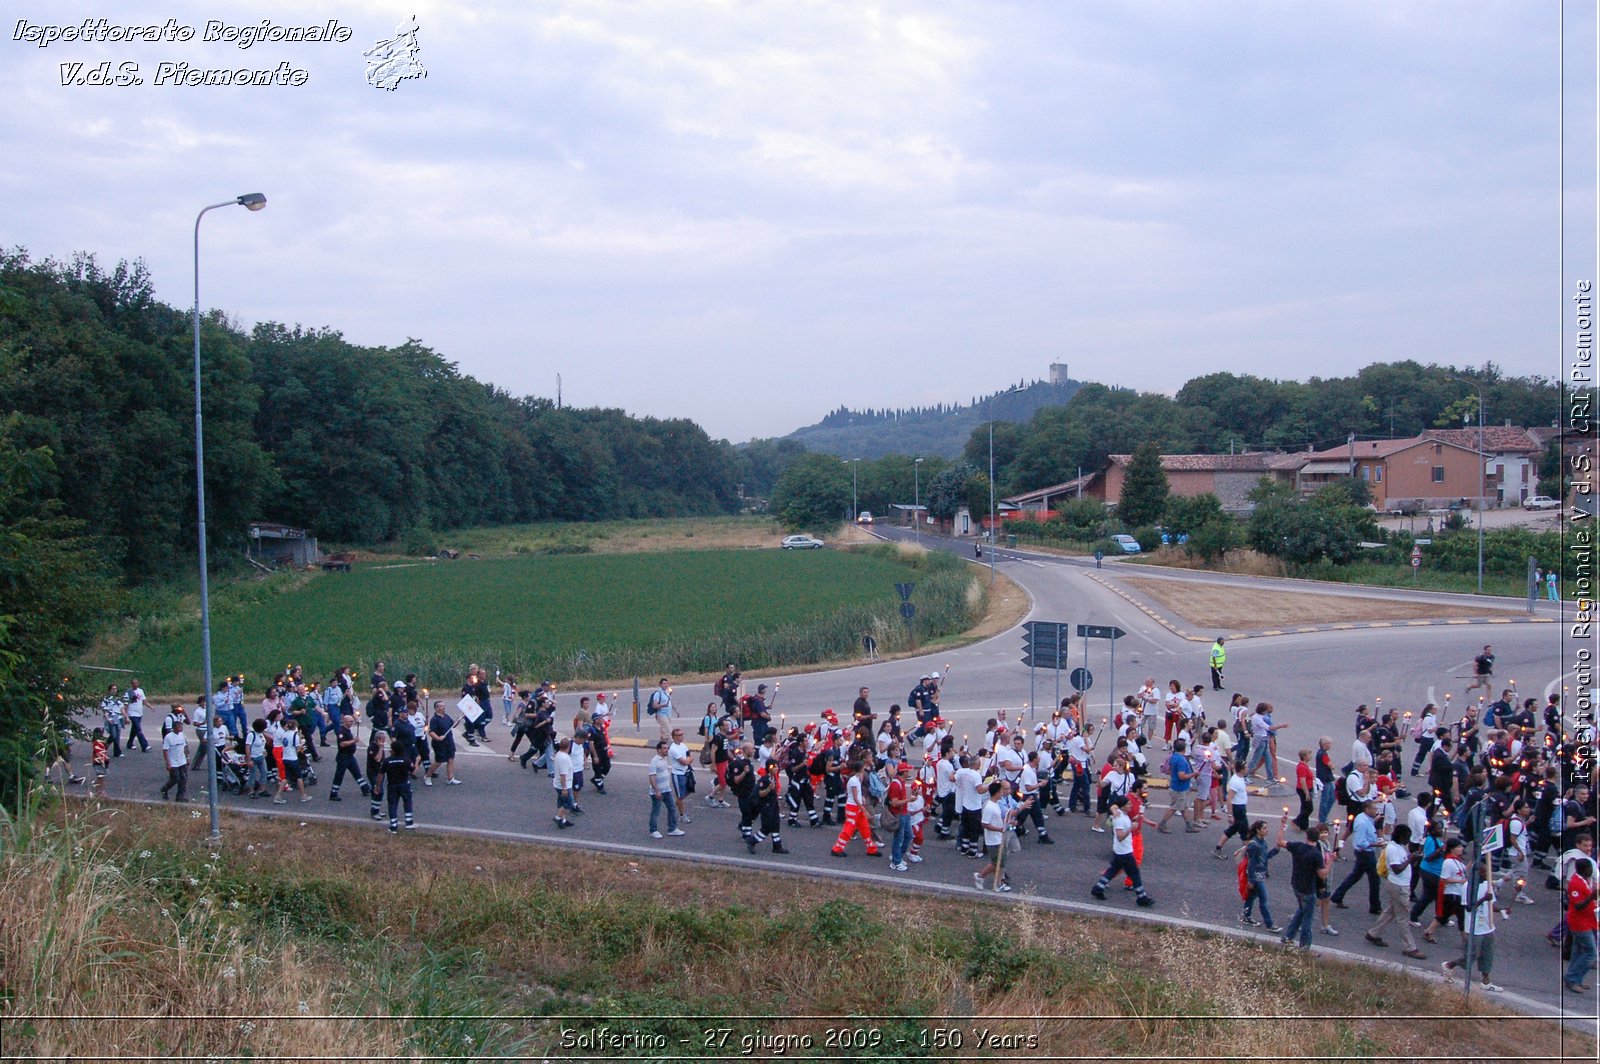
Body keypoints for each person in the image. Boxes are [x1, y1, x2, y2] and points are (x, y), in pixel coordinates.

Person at [1440, 860, 1501, 992]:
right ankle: (1449, 965)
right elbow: (1468, 908)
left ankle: (1486, 980)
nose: (1487, 875)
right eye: (1484, 872)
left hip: (1487, 926)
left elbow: (1491, 904)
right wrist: (1484, 899)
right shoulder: (1467, 887)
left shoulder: (1487, 885)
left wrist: (1501, 910)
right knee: (1471, 955)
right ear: (1477, 873)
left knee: (1487, 953)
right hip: (1474, 928)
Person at [1366, 823, 1425, 958]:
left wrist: (1414, 858)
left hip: (1400, 885)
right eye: (1407, 837)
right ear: (1400, 836)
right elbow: (1397, 869)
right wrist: (1411, 858)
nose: (1408, 840)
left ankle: (1373, 933)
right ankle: (1410, 947)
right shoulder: (1393, 849)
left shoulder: (1399, 847)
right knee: (1403, 917)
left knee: (1391, 911)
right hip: (1398, 885)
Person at [1091, 796, 1154, 906]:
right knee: (1134, 873)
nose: (1131, 806)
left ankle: (1098, 888)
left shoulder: (1122, 815)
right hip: (1124, 852)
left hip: (1120, 851)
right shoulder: (1120, 818)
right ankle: (1141, 896)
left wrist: (1136, 819)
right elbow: (1120, 836)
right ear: (1122, 806)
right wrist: (1131, 829)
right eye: (1128, 804)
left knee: (1113, 870)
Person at [1279, 819, 1328, 949]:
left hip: (1296, 885)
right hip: (1308, 889)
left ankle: (1288, 937)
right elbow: (1322, 874)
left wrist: (1282, 827)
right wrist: (1331, 861)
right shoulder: (1316, 854)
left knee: (1301, 911)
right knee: (1308, 918)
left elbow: (1280, 842)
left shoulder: (1297, 846)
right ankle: (1305, 946)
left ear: (1306, 836)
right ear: (1318, 839)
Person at [1330, 798, 1384, 915]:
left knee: (1355, 876)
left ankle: (1337, 896)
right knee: (1374, 879)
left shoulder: (1363, 818)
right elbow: (1360, 842)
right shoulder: (1363, 823)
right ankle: (1375, 906)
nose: (1376, 811)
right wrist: (1376, 844)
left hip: (1364, 853)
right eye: (1374, 809)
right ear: (1367, 809)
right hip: (1365, 853)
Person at [1236, 820, 1280, 931]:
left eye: (1266, 828)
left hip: (1260, 874)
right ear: (1258, 830)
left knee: (1252, 897)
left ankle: (1246, 916)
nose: (1267, 830)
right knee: (1263, 899)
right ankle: (1269, 924)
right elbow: (1251, 863)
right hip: (1256, 876)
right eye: (1264, 828)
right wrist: (1251, 880)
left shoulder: (1263, 843)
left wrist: (1276, 850)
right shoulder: (1254, 845)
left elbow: (1264, 857)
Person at [831, 760, 880, 857]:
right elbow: (855, 797)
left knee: (865, 828)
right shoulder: (854, 780)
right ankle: (837, 848)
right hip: (853, 807)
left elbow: (858, 794)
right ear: (861, 769)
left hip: (856, 807)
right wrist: (863, 809)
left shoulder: (856, 779)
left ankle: (871, 848)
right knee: (848, 829)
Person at [1565, 857, 1598, 993]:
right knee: (1591, 953)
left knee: (1578, 952)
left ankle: (1574, 979)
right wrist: (1591, 897)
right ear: (1585, 869)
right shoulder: (1576, 884)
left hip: (1587, 921)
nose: (1592, 870)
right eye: (1590, 868)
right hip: (1580, 924)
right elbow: (1578, 905)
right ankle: (1572, 978)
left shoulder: (1584, 881)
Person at [975, 781, 1013, 892]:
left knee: (1000, 862)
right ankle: (981, 877)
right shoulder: (989, 807)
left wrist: (1007, 823)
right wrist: (999, 829)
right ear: (996, 793)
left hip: (998, 837)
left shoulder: (995, 805)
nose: (1003, 793)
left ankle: (998, 882)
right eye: (1001, 791)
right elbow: (985, 824)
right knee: (997, 863)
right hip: (993, 840)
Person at [1156, 739, 1199, 833]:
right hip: (1180, 788)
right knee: (1174, 807)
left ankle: (1189, 825)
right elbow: (1182, 776)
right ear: (1184, 749)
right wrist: (1193, 774)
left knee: (1184, 807)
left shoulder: (1173, 757)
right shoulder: (1182, 761)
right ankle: (1162, 823)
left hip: (1176, 786)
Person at [327, 714, 369, 802]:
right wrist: (353, 741)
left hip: (350, 756)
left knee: (357, 773)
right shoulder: (341, 732)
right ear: (345, 722)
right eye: (350, 721)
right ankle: (333, 793)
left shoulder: (347, 730)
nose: (352, 723)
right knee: (339, 775)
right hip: (343, 757)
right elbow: (342, 744)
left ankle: (365, 788)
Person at [647, 739, 684, 838]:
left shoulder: (664, 759)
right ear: (658, 750)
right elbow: (652, 777)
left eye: (667, 748)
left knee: (672, 808)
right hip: (658, 792)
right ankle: (653, 830)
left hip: (666, 790)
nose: (667, 750)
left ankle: (672, 828)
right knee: (656, 811)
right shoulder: (654, 761)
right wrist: (657, 791)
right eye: (664, 749)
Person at [381, 735, 417, 834]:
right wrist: (417, 762)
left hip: (392, 785)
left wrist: (377, 786)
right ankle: (409, 823)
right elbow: (413, 771)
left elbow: (381, 774)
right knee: (407, 802)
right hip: (404, 784)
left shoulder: (387, 761)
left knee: (392, 804)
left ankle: (393, 826)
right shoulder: (406, 760)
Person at [426, 701, 461, 785]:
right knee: (439, 761)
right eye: (441, 706)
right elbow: (431, 732)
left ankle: (450, 778)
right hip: (439, 744)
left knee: (450, 759)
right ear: (437, 708)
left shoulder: (446, 716)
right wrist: (438, 738)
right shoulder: (434, 720)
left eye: (444, 706)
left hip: (449, 742)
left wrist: (459, 719)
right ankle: (428, 776)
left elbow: (453, 725)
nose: (443, 708)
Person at [160, 719, 188, 801]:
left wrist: (187, 758)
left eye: (181, 727)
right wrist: (168, 763)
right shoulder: (168, 737)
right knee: (175, 778)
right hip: (173, 761)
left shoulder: (182, 735)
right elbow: (165, 750)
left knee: (183, 778)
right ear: (174, 728)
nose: (180, 728)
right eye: (179, 727)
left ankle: (180, 796)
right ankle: (165, 789)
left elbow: (185, 747)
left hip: (182, 760)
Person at [551, 737, 577, 829]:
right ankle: (558, 817)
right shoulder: (564, 758)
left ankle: (563, 820)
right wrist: (564, 788)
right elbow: (563, 775)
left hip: (559, 784)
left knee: (561, 802)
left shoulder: (559, 754)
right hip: (565, 785)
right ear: (568, 747)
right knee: (568, 803)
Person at [648, 677, 674, 742]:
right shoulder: (658, 693)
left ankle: (661, 746)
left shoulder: (667, 692)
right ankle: (663, 746)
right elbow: (655, 705)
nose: (665, 685)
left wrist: (676, 710)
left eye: (666, 683)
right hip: (661, 715)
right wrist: (663, 705)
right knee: (669, 731)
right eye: (664, 683)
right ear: (660, 684)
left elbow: (669, 702)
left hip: (668, 715)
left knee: (664, 733)